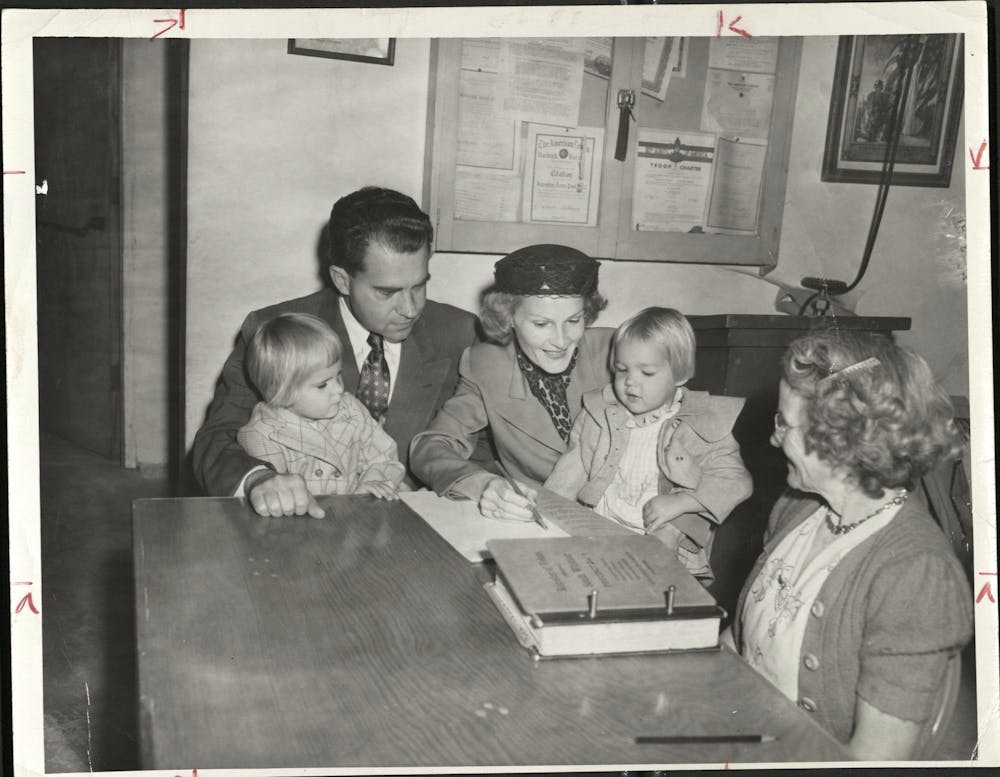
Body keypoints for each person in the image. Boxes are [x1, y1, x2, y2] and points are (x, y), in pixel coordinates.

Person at [731, 331, 973, 760]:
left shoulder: (917, 573)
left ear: (840, 439)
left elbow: (873, 759)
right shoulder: (798, 509)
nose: (773, 439)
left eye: (783, 424)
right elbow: (735, 648)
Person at [191, 186, 478, 518]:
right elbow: (217, 437)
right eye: (387, 292)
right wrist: (259, 479)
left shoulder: (459, 332)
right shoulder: (272, 330)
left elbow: (481, 447)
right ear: (342, 280)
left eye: (419, 285)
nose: (411, 308)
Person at [545, 307, 752, 582]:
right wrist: (547, 514)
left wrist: (682, 501)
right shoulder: (599, 413)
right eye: (621, 370)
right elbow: (572, 468)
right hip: (601, 532)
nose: (630, 382)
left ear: (680, 375)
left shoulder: (701, 423)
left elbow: (736, 482)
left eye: (647, 372)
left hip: (665, 545)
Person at [409, 244, 613, 522]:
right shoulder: (487, 366)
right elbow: (431, 446)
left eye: (573, 320)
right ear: (509, 318)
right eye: (541, 324)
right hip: (541, 524)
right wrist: (481, 486)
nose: (561, 340)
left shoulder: (619, 352)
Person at [236, 313, 404, 500]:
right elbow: (276, 495)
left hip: (358, 519)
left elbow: (386, 458)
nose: (340, 389)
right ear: (282, 391)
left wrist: (373, 482)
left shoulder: (351, 409)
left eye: (338, 375)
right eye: (323, 384)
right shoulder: (262, 434)